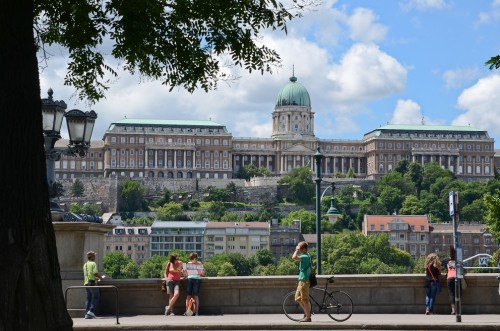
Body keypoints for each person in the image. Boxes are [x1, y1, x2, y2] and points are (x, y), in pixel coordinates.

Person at [292, 241, 312, 322]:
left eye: (300, 248)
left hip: (304, 280)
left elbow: (293, 257)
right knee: (298, 298)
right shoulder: (307, 255)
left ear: (303, 249)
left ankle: (308, 317)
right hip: (302, 279)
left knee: (305, 300)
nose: (299, 249)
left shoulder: (305, 256)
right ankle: (307, 313)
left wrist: (296, 250)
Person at [83, 251, 103, 319]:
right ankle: (91, 311)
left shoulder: (85, 264)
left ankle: (86, 313)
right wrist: (100, 278)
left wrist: (96, 278)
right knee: (96, 297)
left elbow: (89, 274)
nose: (95, 257)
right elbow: (94, 273)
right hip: (92, 283)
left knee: (88, 298)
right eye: (94, 256)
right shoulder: (93, 263)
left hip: (86, 283)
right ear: (91, 257)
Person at [446, 247, 457, 315]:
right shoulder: (458, 262)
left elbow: (448, 269)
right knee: (458, 293)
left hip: (449, 278)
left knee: (451, 294)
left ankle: (453, 310)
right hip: (456, 277)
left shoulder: (448, 263)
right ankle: (458, 309)